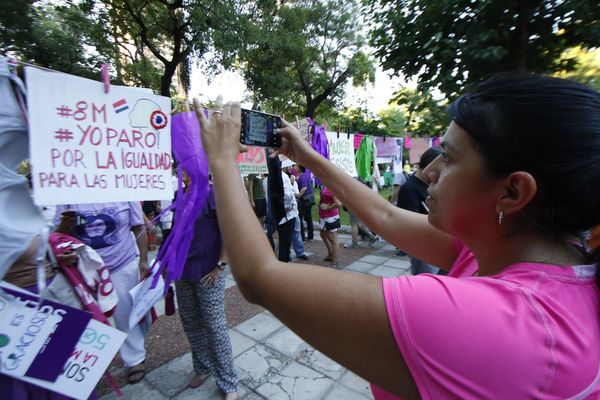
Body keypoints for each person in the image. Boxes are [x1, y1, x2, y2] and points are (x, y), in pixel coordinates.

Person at [195, 74, 600, 399]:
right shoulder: (528, 254)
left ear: (512, 192)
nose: (427, 172)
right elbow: (385, 214)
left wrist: (221, 160)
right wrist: (309, 157)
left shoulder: (498, 324)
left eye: (451, 157)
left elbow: (258, 275)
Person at [53, 202, 149, 384]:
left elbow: (138, 227)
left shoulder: (124, 187)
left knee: (124, 313)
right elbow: (59, 235)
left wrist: (143, 260)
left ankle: (135, 358)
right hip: (84, 267)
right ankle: (94, 360)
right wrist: (65, 235)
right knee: (90, 317)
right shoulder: (67, 193)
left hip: (122, 263)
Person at [175, 174, 238, 399]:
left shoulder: (212, 193)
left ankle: (228, 381)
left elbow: (230, 233)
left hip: (209, 272)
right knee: (191, 322)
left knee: (214, 326)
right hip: (182, 271)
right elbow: (175, 233)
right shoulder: (179, 195)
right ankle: (202, 367)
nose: (180, 171)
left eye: (185, 166)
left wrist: (220, 266)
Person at [396, 147, 442, 275]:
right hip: (423, 248)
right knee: (427, 283)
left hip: (439, 243)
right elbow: (408, 223)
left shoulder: (431, 184)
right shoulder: (409, 188)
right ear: (425, 167)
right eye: (434, 171)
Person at [318, 186, 342, 267]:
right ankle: (331, 254)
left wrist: (328, 207)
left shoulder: (332, 186)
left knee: (334, 241)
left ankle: (334, 263)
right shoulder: (326, 184)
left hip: (330, 217)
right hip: (324, 216)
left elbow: (338, 203)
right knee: (322, 235)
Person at [295, 165, 315, 241]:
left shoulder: (302, 176)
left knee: (300, 217)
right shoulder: (304, 175)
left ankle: (302, 237)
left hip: (304, 199)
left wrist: (299, 195)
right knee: (308, 217)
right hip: (309, 198)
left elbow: (304, 188)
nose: (294, 167)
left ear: (300, 168)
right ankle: (310, 236)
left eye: (296, 166)